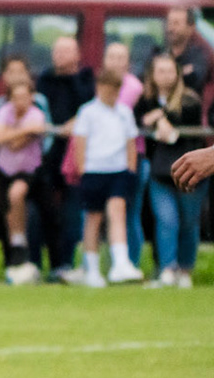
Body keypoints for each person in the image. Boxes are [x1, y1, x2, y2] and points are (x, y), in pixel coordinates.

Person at [72, 68, 144, 286]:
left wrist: (130, 170)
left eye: (116, 90)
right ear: (99, 88)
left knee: (117, 211)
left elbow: (131, 143)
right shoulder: (87, 112)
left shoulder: (124, 112)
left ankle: (120, 263)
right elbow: (80, 143)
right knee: (93, 219)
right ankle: (92, 269)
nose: (112, 94)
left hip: (118, 171)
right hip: (94, 170)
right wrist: (83, 170)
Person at [137, 52, 204, 288]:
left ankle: (185, 270)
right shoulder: (146, 100)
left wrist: (159, 117)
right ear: (152, 75)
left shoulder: (190, 100)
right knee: (166, 221)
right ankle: (167, 268)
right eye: (160, 71)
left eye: (169, 71)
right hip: (161, 171)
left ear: (177, 74)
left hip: (190, 170)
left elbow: (181, 121)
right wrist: (157, 119)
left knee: (188, 222)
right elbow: (138, 119)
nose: (165, 76)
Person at [36, 35, 93, 281]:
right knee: (47, 213)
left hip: (76, 155)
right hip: (49, 156)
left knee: (72, 213)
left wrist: (76, 123)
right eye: (57, 51)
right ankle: (48, 265)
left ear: (77, 54)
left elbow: (91, 108)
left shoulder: (85, 80)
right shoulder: (44, 80)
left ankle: (67, 264)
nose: (59, 55)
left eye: (66, 51)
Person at [0, 78, 58, 285]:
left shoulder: (36, 114)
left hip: (30, 171)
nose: (20, 101)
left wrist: (11, 133)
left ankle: (24, 244)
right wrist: (23, 130)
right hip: (6, 170)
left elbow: (15, 143)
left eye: (24, 97)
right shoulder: (4, 112)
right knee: (7, 210)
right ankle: (16, 252)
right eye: (16, 97)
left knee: (17, 195)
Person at [101, 41, 150, 269]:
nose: (116, 62)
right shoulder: (101, 84)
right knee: (108, 213)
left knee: (129, 213)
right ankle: (112, 264)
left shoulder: (132, 87)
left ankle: (131, 263)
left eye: (121, 57)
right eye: (112, 57)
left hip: (131, 158)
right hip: (105, 157)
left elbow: (112, 113)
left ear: (128, 63)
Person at [163, 5, 209, 96]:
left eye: (176, 23)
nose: (170, 28)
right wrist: (182, 72)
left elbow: (195, 79)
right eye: (169, 23)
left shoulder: (199, 55)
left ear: (191, 27)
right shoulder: (159, 53)